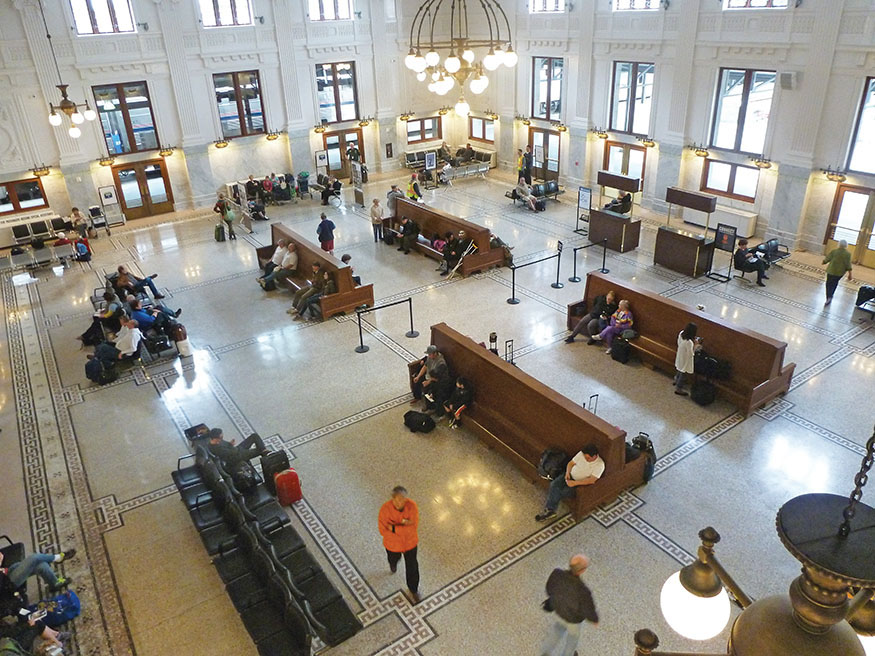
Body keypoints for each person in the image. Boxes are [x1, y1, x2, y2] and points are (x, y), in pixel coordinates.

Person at [540, 554, 599, 656]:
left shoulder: (557, 574)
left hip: (559, 611)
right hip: (573, 620)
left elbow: (549, 589)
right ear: (582, 571)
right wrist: (594, 620)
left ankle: (545, 652)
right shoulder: (583, 591)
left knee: (557, 630)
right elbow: (588, 609)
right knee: (572, 639)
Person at [535, 445, 605, 522]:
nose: (586, 459)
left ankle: (550, 509)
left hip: (579, 484)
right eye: (585, 457)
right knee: (554, 484)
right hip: (569, 475)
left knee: (561, 492)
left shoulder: (600, 465)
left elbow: (592, 480)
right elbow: (571, 463)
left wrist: (574, 483)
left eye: (588, 458)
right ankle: (550, 510)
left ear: (595, 456)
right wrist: (567, 473)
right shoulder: (581, 454)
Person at [378, 486, 420, 605]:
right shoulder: (385, 509)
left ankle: (414, 589)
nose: (399, 503)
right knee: (393, 557)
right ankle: (393, 564)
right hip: (393, 545)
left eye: (403, 500)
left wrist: (394, 528)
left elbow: (413, 527)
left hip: (410, 543)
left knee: (412, 567)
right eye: (397, 500)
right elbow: (383, 530)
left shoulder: (412, 506)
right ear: (392, 499)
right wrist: (404, 527)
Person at [0, 548, 76, 592]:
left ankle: (54, 584)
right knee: (34, 558)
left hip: (6, 571)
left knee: (41, 565)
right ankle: (58, 558)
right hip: (6, 584)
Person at [822, 239, 853, 305]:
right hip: (840, 272)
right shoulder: (848, 254)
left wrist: (824, 261)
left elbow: (828, 258)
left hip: (831, 270)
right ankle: (831, 295)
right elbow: (848, 264)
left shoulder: (834, 251)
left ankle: (828, 296)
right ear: (846, 246)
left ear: (839, 244)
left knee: (828, 283)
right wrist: (850, 274)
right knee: (834, 283)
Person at [674, 322, 702, 396]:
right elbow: (691, 353)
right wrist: (696, 345)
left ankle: (676, 380)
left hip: (680, 354)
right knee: (683, 372)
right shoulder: (689, 342)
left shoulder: (681, 333)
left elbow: (678, 343)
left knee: (679, 368)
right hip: (686, 359)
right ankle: (678, 388)